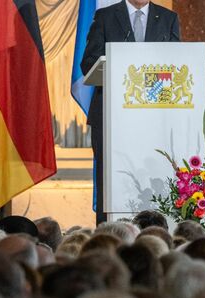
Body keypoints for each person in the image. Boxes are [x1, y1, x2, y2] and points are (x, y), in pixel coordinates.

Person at [80, 0, 180, 225]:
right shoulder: (105, 16)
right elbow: (88, 63)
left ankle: (156, 229)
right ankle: (109, 233)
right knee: (110, 178)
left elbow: (177, 62)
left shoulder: (168, 18)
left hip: (154, 116)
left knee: (154, 174)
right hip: (110, 115)